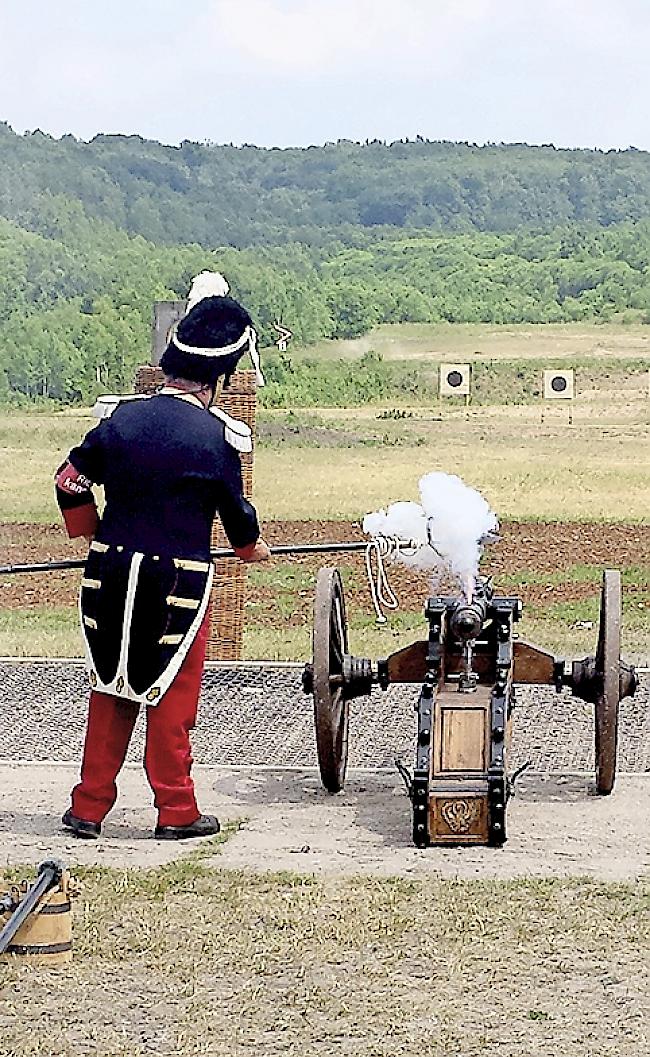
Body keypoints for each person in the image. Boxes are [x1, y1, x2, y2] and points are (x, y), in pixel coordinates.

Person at [55, 272, 270, 840]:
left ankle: (88, 807)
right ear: (218, 377)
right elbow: (236, 514)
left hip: (109, 571)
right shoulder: (216, 439)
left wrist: (92, 533)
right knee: (171, 697)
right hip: (178, 583)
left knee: (110, 689)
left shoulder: (119, 420)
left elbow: (70, 481)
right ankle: (176, 811)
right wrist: (251, 550)